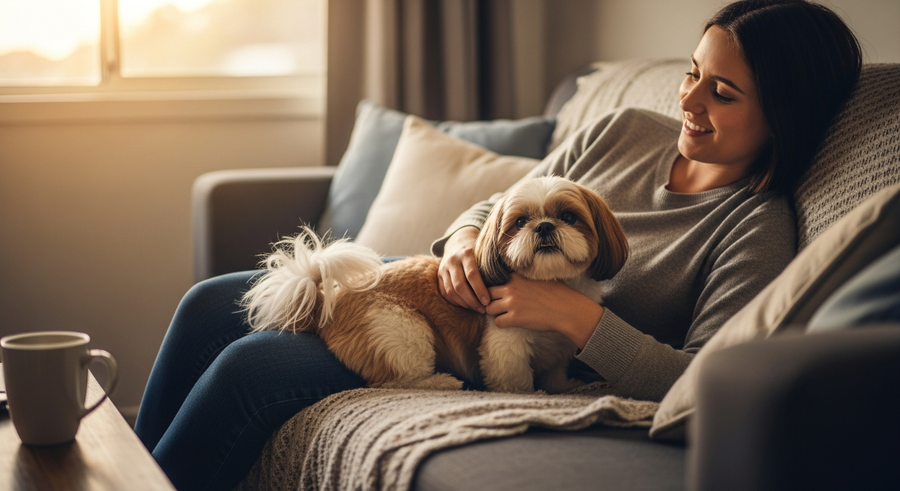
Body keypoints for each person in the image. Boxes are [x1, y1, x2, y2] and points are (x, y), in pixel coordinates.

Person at [134, 1, 862, 489]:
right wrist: (462, 239)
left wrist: (572, 317)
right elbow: (504, 205)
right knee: (210, 302)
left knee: (252, 365)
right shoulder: (626, 130)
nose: (689, 103)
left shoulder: (755, 227)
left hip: (505, 338)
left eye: (722, 94)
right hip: (450, 284)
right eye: (692, 75)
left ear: (783, 113)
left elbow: (706, 379)